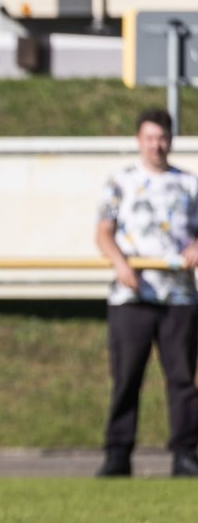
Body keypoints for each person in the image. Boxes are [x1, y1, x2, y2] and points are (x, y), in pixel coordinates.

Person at [95, 108, 198, 478]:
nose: (157, 144)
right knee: (126, 377)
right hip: (132, 296)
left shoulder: (188, 184)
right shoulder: (121, 182)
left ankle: (186, 454)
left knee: (182, 380)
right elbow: (103, 232)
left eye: (163, 137)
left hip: (179, 297)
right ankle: (118, 454)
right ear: (139, 140)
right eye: (150, 137)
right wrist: (121, 264)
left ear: (171, 140)